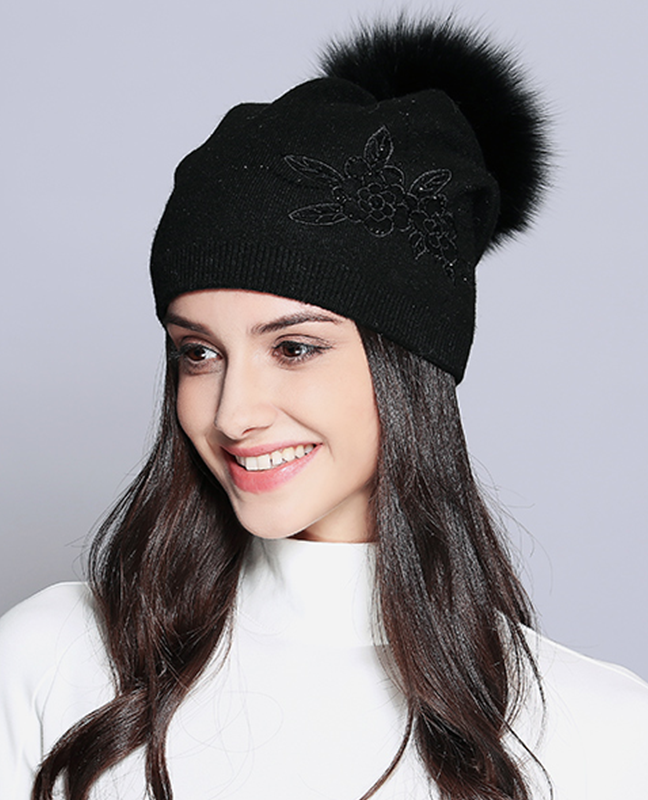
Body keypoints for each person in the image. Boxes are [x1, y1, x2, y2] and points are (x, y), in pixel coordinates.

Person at [1, 16, 647, 800]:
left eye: (295, 347)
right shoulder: (50, 661)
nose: (233, 412)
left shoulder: (596, 732)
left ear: (410, 365)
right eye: (198, 352)